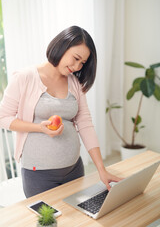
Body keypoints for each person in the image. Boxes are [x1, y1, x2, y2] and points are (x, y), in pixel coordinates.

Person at [0, 26, 122, 198]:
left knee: (77, 220)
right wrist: (39, 128)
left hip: (74, 169)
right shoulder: (24, 77)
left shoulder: (75, 83)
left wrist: (101, 169)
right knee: (48, 223)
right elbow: (3, 117)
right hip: (39, 174)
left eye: (82, 63)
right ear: (62, 46)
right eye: (76, 58)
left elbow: (85, 124)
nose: (77, 66)